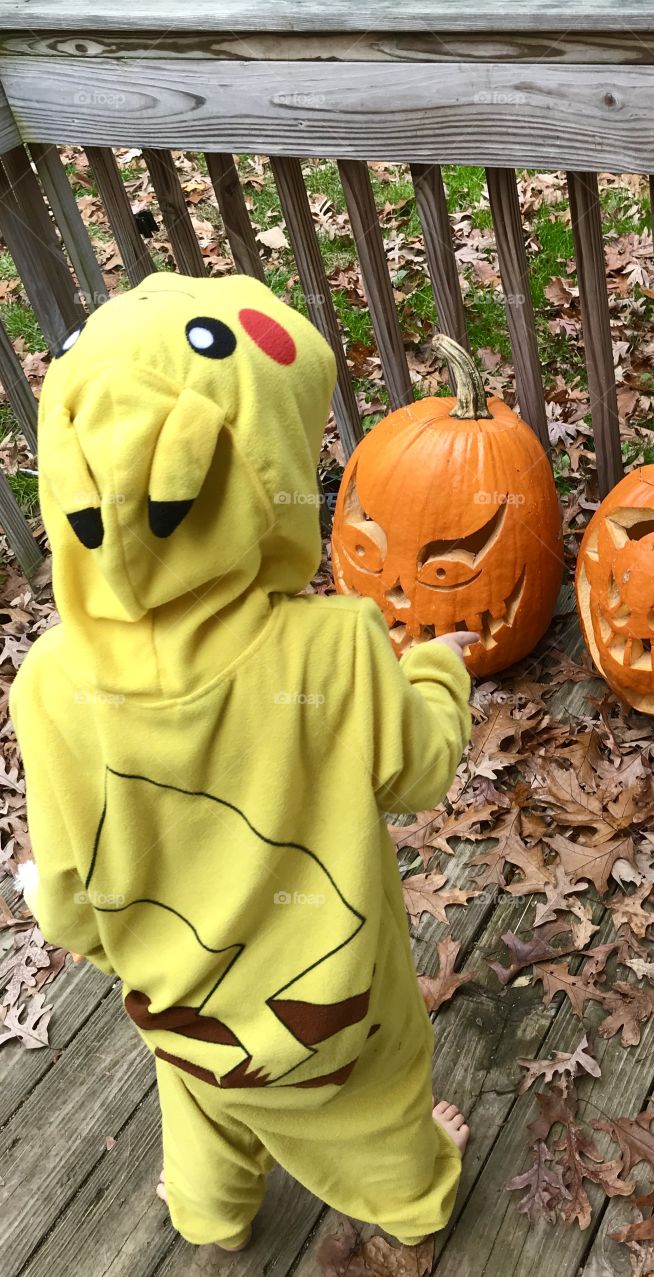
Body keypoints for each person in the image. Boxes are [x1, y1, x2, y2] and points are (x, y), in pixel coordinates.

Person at [11, 273, 476, 1251]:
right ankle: (415, 1198)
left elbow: (62, 896)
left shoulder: (50, 686)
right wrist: (437, 671)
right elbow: (424, 768)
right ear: (262, 474)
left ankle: (210, 1214)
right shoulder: (334, 649)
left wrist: (126, 950)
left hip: (179, 1013)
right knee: (381, 1113)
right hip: (338, 1016)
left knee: (204, 1100)